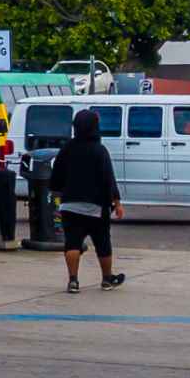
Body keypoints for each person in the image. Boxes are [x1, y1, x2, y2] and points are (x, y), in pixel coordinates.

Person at [54, 106, 124, 294]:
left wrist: (60, 193)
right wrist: (117, 203)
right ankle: (107, 279)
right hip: (96, 207)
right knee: (102, 243)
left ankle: (73, 281)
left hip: (70, 205)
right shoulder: (99, 150)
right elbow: (109, 179)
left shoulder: (66, 149)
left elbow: (56, 177)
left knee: (72, 243)